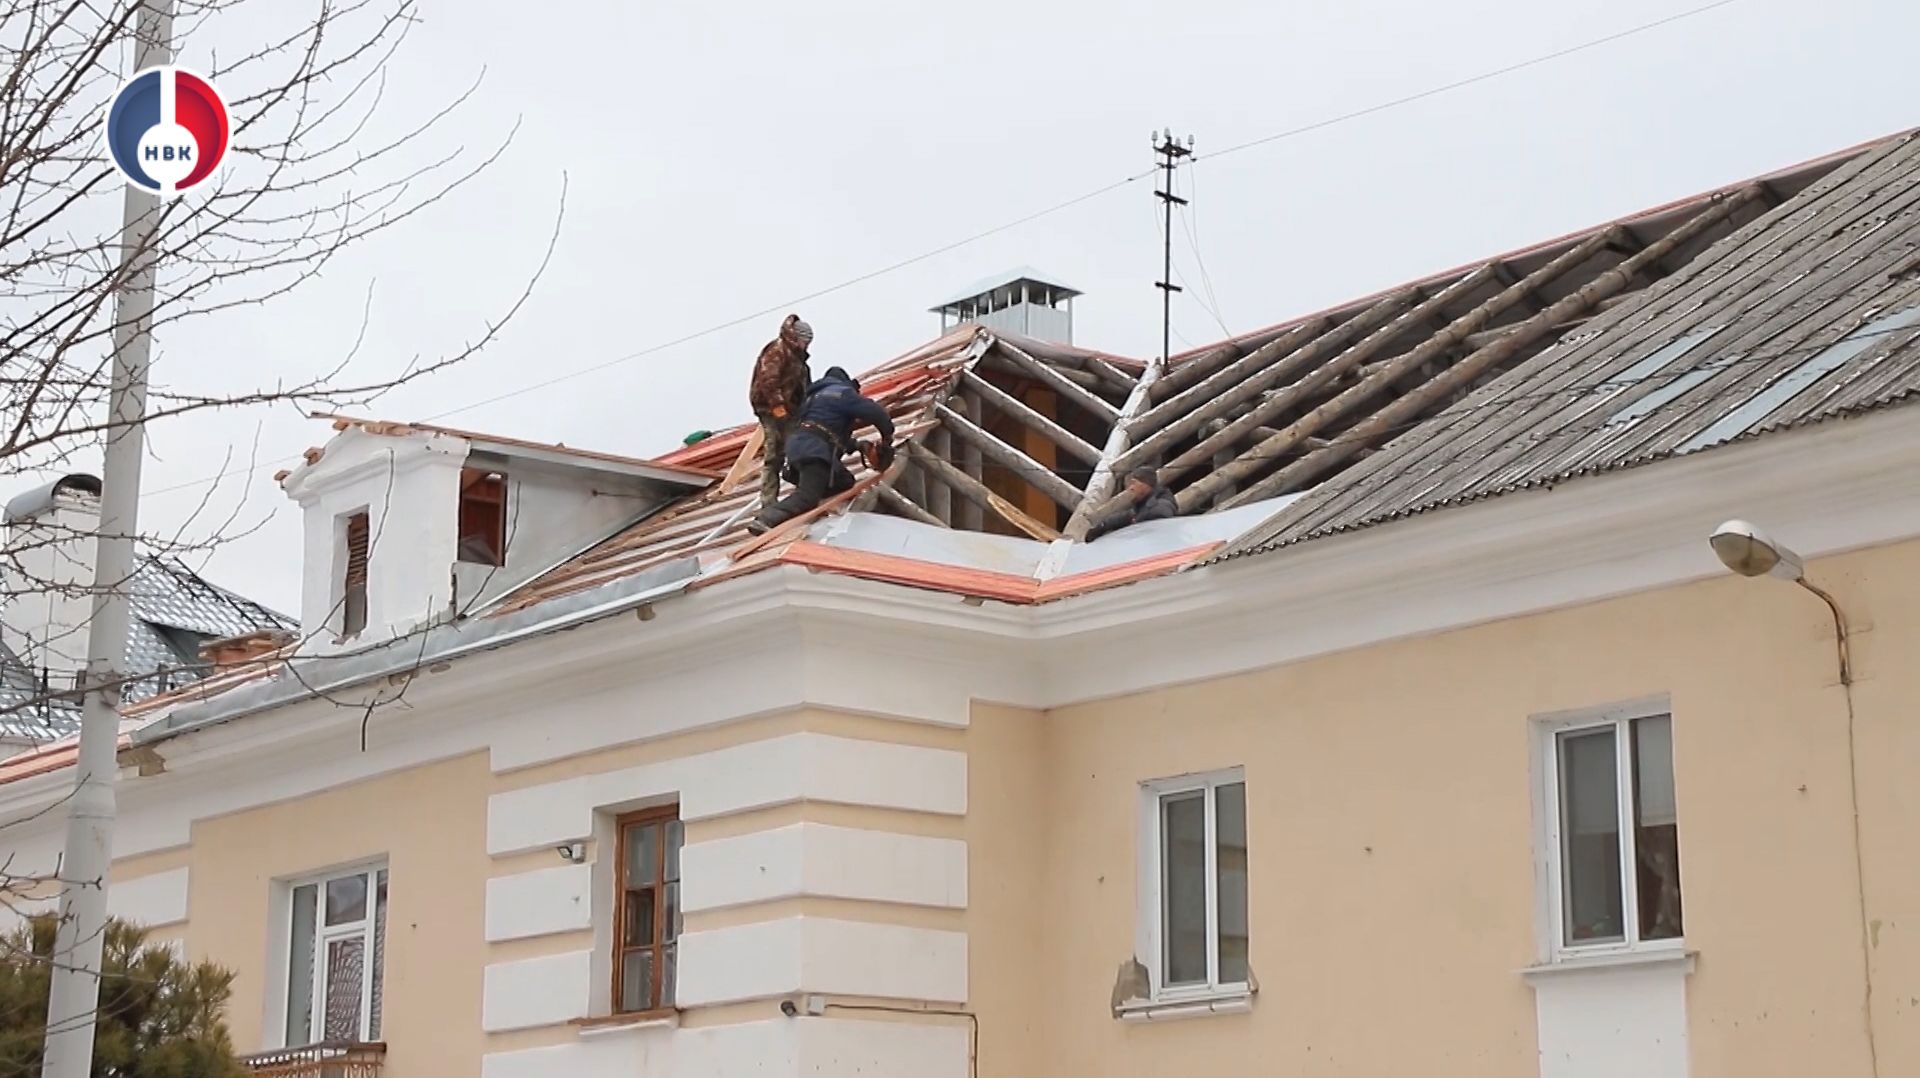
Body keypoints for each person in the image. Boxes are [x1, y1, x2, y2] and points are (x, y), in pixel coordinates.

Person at [749, 367, 894, 534]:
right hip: (814, 450)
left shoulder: (810, 400)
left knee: (845, 481)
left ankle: (815, 488)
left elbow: (825, 430)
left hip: (798, 449)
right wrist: (887, 438)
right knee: (807, 497)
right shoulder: (842, 392)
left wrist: (858, 445)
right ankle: (766, 519)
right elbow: (876, 412)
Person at [748, 314, 815, 508]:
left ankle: (804, 490)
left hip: (790, 409)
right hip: (769, 409)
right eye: (805, 342)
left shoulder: (798, 359)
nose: (806, 346)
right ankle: (768, 502)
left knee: (796, 447)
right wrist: (777, 406)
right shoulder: (777, 350)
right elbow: (768, 380)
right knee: (774, 453)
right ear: (797, 337)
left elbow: (803, 385)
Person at [1087, 466, 1177, 540]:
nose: (1131, 488)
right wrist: (1102, 526)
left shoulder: (1159, 506)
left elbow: (1159, 514)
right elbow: (1125, 517)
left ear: (1145, 484)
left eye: (1134, 483)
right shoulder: (1143, 505)